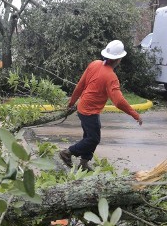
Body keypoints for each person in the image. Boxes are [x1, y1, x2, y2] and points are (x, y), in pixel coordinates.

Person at [59, 40, 143, 171]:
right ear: (119, 59)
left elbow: (80, 85)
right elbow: (119, 101)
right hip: (89, 112)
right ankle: (67, 153)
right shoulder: (111, 77)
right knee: (93, 139)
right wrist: (135, 114)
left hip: (83, 108)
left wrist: (71, 103)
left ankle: (84, 163)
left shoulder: (95, 64)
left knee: (89, 137)